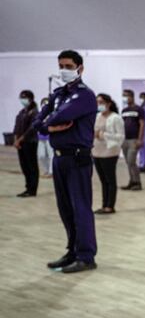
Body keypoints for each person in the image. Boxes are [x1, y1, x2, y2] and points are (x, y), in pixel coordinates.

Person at [33, 49, 98, 273]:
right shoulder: (59, 94)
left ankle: (86, 256)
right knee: (65, 209)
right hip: (59, 159)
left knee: (80, 208)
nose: (64, 70)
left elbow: (60, 116)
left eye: (69, 66)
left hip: (77, 158)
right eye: (61, 66)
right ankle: (72, 250)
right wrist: (49, 125)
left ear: (80, 68)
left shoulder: (85, 95)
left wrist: (50, 122)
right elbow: (38, 122)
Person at [92, 94, 124, 214]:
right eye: (97, 102)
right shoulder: (97, 116)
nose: (99, 105)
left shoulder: (116, 118)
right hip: (97, 151)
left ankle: (110, 206)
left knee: (110, 180)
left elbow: (120, 136)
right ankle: (104, 204)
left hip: (110, 152)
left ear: (108, 103)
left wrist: (103, 135)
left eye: (101, 102)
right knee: (103, 180)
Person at [13, 89, 40, 197]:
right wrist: (16, 140)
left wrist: (20, 139)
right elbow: (17, 127)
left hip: (30, 142)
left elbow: (31, 129)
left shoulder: (34, 112)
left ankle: (32, 189)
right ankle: (27, 187)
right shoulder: (22, 112)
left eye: (24, 97)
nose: (22, 100)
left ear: (30, 99)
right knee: (24, 166)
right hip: (21, 143)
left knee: (31, 166)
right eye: (21, 97)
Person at [120, 89, 144, 190]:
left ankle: (137, 183)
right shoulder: (124, 111)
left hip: (134, 140)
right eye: (123, 96)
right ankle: (132, 181)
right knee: (128, 162)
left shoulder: (139, 109)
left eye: (126, 96)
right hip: (125, 140)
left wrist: (140, 139)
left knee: (131, 161)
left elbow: (142, 124)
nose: (125, 98)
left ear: (132, 96)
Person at [37, 98, 54, 179]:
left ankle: (51, 172)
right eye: (43, 104)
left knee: (51, 155)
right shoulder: (39, 115)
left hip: (50, 137)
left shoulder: (53, 114)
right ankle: (46, 170)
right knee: (41, 155)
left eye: (46, 104)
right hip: (41, 138)